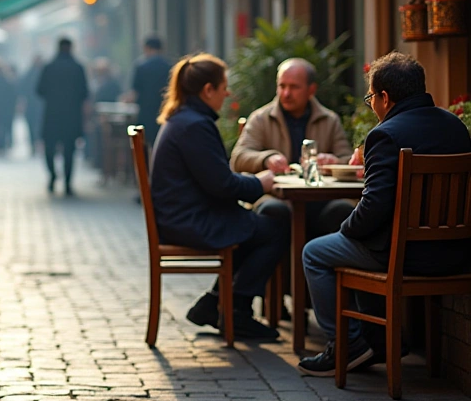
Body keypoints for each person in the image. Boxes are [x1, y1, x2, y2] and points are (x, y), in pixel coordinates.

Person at [297, 53, 471, 376]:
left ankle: (349, 346)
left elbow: (373, 208)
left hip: (404, 256)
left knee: (315, 252)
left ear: (384, 97)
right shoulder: (456, 127)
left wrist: (345, 228)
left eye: (371, 98)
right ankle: (380, 340)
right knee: (361, 240)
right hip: (457, 255)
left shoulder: (385, 135)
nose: (372, 105)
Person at [150, 53, 287, 340]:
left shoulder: (185, 119)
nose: (227, 93)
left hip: (182, 216)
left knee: (260, 222)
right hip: (190, 221)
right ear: (207, 90)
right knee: (274, 228)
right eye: (223, 86)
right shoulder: (194, 125)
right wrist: (260, 183)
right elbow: (222, 185)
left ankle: (215, 304)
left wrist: (253, 184)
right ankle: (235, 310)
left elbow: (217, 181)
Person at [232, 58, 354, 241]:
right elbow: (238, 158)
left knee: (342, 211)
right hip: (275, 196)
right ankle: (282, 269)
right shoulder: (260, 118)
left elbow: (348, 158)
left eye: (294, 87)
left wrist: (334, 162)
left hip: (321, 199)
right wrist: (267, 159)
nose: (286, 93)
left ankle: (321, 267)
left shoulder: (330, 120)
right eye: (282, 86)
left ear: (311, 89)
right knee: (274, 211)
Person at [36, 38, 89, 195]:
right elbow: (84, 92)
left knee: (49, 148)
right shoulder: (78, 68)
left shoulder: (49, 67)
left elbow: (39, 90)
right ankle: (67, 183)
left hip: (51, 116)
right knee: (69, 151)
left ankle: (52, 176)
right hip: (71, 117)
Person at [131, 37, 173, 146]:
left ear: (147, 48)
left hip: (145, 113)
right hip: (164, 112)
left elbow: (135, 93)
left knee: (143, 144)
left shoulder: (141, 67)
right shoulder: (169, 67)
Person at [89, 58, 121, 169]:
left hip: (114, 120)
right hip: (99, 118)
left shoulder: (112, 84)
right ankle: (100, 164)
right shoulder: (96, 83)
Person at [20, 54, 45, 157]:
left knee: (35, 125)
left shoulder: (33, 73)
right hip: (36, 104)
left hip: (37, 104)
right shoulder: (37, 73)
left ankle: (35, 144)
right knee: (35, 125)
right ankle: (35, 144)